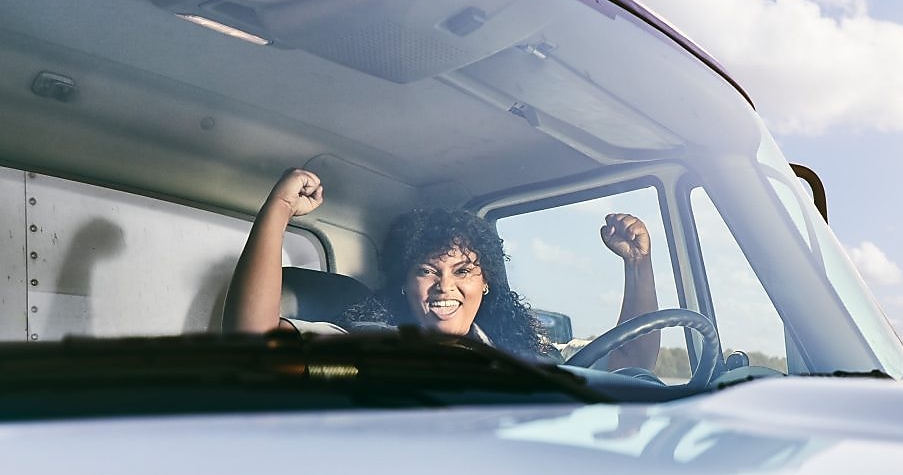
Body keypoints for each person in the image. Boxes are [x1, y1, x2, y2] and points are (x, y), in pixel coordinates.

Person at [226, 168, 659, 369]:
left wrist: (638, 265)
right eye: (427, 270)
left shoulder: (521, 352)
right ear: (404, 283)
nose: (444, 286)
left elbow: (633, 361)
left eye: (463, 271)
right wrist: (279, 209)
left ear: (486, 282)